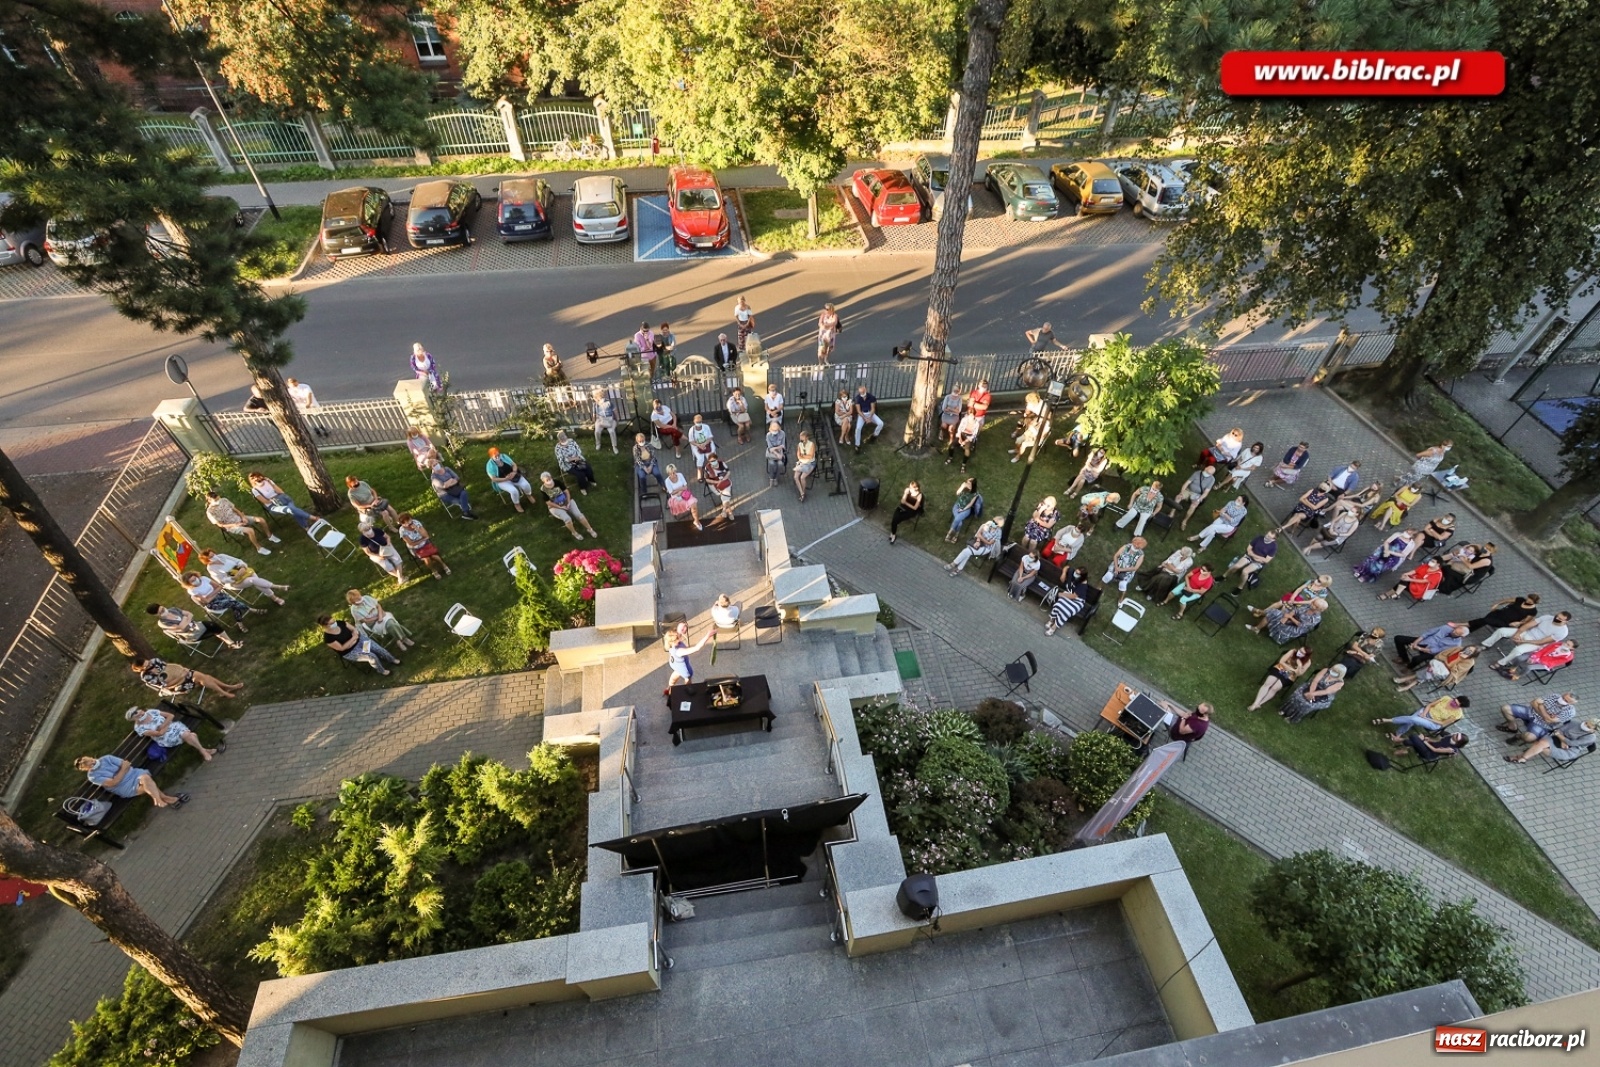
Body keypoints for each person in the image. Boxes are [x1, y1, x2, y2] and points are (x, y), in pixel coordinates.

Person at [74, 754, 186, 807]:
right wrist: (122, 770)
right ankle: (166, 798)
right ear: (86, 769)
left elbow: (127, 764)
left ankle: (161, 800)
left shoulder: (106, 758)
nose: (93, 764)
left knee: (145, 778)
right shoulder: (93, 776)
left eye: (92, 761)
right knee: (147, 783)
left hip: (134, 773)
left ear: (91, 758)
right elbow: (114, 783)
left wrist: (119, 773)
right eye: (90, 765)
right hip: (124, 787)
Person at [126, 705, 218, 761]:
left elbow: (170, 716)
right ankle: (204, 750)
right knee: (191, 735)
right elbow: (159, 734)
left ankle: (202, 751)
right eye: (137, 715)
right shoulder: (139, 728)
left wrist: (162, 726)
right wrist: (167, 724)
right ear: (134, 719)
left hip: (175, 726)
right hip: (166, 738)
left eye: (139, 712)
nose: (140, 714)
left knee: (187, 735)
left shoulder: (151, 712)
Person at [200, 547, 288, 605]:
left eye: (213, 554)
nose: (215, 557)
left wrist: (242, 566)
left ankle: (275, 597)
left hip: (244, 571)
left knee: (256, 581)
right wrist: (233, 578)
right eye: (211, 557)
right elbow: (221, 580)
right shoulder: (211, 568)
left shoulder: (222, 556)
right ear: (207, 560)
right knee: (253, 580)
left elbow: (238, 560)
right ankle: (277, 587)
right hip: (235, 581)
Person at [129, 656, 242, 701]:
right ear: (140, 669)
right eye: (147, 666)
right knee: (202, 677)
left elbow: (171, 668)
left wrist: (183, 671)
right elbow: (166, 685)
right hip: (175, 686)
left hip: (180, 675)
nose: (150, 665)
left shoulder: (154, 661)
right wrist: (182, 676)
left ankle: (226, 688)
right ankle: (226, 690)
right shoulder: (146, 676)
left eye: (148, 663)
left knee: (203, 677)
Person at [1483, 610, 1571, 667]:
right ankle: (1486, 645)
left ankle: (1501, 663)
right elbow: (1529, 625)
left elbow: (1542, 642)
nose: (1556, 618)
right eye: (1557, 616)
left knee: (1518, 650)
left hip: (1535, 643)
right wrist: (1518, 634)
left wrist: (1523, 641)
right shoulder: (1547, 617)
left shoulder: (1562, 632)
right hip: (1527, 633)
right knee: (1501, 631)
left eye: (1560, 619)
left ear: (1566, 621)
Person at [319, 613, 400, 674]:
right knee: (371, 656)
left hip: (360, 640)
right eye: (331, 623)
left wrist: (355, 637)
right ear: (325, 626)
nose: (334, 623)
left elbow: (354, 629)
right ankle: (381, 670)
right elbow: (342, 648)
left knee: (378, 648)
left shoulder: (340, 623)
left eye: (334, 621)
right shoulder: (328, 638)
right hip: (350, 651)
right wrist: (353, 638)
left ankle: (392, 659)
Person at [203, 491, 277, 555]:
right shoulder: (210, 512)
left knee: (261, 520)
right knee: (250, 530)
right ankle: (259, 548)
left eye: (218, 498)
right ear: (209, 501)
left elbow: (236, 510)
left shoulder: (224, 500)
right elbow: (220, 524)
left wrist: (243, 517)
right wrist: (235, 525)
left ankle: (270, 536)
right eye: (215, 500)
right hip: (231, 526)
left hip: (238, 517)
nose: (218, 501)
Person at [147, 602, 243, 650]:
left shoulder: (172, 609)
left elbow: (190, 613)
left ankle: (230, 643)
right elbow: (181, 627)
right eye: (161, 612)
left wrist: (185, 620)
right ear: (157, 615)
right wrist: (186, 619)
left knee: (212, 626)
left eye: (163, 608)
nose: (164, 611)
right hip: (191, 634)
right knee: (213, 627)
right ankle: (231, 643)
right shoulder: (162, 623)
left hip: (196, 625)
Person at [1504, 717, 1596, 766]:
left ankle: (1520, 757)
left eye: (1588, 726)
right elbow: (1558, 730)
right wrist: (1563, 739)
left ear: (1594, 730)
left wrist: (1562, 738)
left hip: (1568, 750)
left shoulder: (1590, 737)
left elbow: (1571, 744)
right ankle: (1523, 759)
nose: (1585, 725)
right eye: (1586, 722)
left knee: (1539, 745)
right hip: (1556, 739)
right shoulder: (1575, 723)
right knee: (1541, 744)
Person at [183, 571, 261, 627]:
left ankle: (241, 624)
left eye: (195, 578)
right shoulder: (192, 590)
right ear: (189, 583)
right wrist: (214, 593)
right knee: (233, 602)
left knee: (233, 603)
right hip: (212, 604)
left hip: (219, 595)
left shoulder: (203, 579)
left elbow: (219, 586)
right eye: (193, 581)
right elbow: (206, 601)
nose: (196, 580)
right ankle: (250, 610)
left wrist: (210, 595)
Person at [346, 588, 414, 650]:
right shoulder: (354, 610)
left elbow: (378, 605)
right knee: (391, 625)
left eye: (359, 597)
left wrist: (380, 616)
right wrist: (377, 618)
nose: (360, 599)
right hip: (372, 623)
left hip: (381, 615)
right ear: (353, 602)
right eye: (357, 600)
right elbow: (365, 620)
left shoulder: (366, 598)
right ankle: (403, 639)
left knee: (391, 624)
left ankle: (400, 640)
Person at [1393, 644, 1480, 692]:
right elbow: (1443, 654)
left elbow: (1455, 669)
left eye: (1471, 651)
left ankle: (1405, 681)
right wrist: (1448, 660)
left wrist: (1459, 658)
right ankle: (1407, 686)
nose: (1468, 650)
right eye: (1468, 648)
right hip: (1439, 664)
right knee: (1428, 672)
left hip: (1447, 673)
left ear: (1473, 654)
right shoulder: (1458, 649)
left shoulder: (1470, 662)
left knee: (1429, 672)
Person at [1495, 691, 1577, 743]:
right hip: (1531, 712)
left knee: (1529, 738)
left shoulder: (1570, 712)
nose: (1562, 699)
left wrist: (1541, 706)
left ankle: (1518, 737)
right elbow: (1533, 702)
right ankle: (1512, 728)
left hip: (1542, 724)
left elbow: (1549, 721)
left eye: (1566, 701)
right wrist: (1545, 714)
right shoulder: (1555, 696)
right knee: (1505, 708)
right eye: (1563, 697)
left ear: (1571, 703)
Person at [1376, 694, 1470, 739]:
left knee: (1413, 719)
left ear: (1459, 707)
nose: (1453, 702)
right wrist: (1424, 713)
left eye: (1456, 704)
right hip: (1426, 712)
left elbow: (1442, 724)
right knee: (1412, 720)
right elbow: (1430, 705)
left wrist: (1426, 718)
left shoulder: (1457, 714)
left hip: (1433, 722)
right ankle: (1397, 735)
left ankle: (1387, 720)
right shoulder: (1446, 698)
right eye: (1454, 700)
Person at [1247, 647, 1313, 710]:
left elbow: (1299, 674)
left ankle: (1259, 703)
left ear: (1306, 655)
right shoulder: (1293, 651)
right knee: (1268, 683)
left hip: (1290, 675)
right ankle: (1255, 703)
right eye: (1300, 650)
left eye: (1302, 652)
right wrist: (1292, 669)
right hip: (1280, 668)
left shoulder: (1307, 662)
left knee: (1274, 688)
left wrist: (1299, 666)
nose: (1299, 652)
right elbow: (1281, 661)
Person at [1280, 663, 1346, 723]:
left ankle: (1293, 717)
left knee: (1307, 704)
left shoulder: (1340, 683)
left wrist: (1312, 694)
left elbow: (1326, 691)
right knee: (1297, 695)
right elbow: (1315, 681)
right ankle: (1285, 710)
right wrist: (1311, 692)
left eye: (1336, 672)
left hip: (1323, 695)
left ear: (1340, 675)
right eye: (1333, 670)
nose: (1333, 672)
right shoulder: (1325, 670)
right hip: (1312, 686)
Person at [248, 472, 316, 530]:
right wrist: (273, 499)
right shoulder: (255, 490)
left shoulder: (268, 482)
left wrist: (270, 483)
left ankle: (306, 527)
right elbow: (266, 501)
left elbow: (281, 492)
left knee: (292, 510)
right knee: (290, 509)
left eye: (258, 477)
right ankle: (312, 517)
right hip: (273, 506)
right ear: (252, 481)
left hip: (283, 499)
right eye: (253, 478)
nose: (257, 479)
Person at [540, 471, 597, 540]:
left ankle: (590, 529)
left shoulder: (557, 482)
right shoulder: (543, 489)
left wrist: (568, 502)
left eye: (550, 478)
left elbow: (566, 492)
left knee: (579, 515)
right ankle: (574, 533)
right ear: (543, 481)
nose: (549, 481)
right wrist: (560, 507)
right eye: (547, 480)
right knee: (567, 519)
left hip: (566, 500)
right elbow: (548, 502)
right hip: (555, 506)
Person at [1352, 528, 1423, 583]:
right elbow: (1387, 541)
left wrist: (1390, 552)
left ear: (1412, 536)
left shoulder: (1411, 544)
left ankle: (1366, 576)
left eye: (1409, 533)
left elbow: (1403, 554)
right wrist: (1386, 550)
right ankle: (1361, 571)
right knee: (1371, 560)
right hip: (1384, 550)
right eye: (1407, 531)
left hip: (1393, 557)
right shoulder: (1397, 534)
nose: (1406, 533)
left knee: (1378, 567)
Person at [664, 621, 716, 695]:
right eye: (678, 637)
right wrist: (707, 636)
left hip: (675, 664)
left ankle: (669, 688)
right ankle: (688, 689)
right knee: (688, 678)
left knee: (674, 676)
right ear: (675, 641)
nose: (679, 635)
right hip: (683, 668)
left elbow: (678, 631)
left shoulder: (670, 643)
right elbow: (696, 648)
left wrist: (682, 626)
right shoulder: (679, 651)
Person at [1392, 622, 1471, 669]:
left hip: (1431, 651)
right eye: (1455, 630)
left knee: (1417, 659)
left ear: (1462, 636)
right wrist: (1415, 643)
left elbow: (1437, 650)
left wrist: (1419, 648)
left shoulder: (1456, 644)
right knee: (1398, 638)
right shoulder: (1445, 628)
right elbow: (1427, 633)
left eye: (1456, 633)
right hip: (1424, 641)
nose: (1453, 632)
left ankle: (1408, 667)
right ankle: (1404, 658)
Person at [1498, 638, 1577, 683]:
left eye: (1568, 645)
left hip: (1545, 663)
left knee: (1529, 667)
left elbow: (1554, 662)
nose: (1565, 644)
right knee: (1520, 658)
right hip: (1538, 655)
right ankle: (1512, 668)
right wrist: (1535, 657)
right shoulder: (1557, 644)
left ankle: (1517, 676)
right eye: (1566, 642)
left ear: (1572, 648)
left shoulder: (1568, 657)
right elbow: (1544, 650)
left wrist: (1539, 661)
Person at [397, 512, 450, 578]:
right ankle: (433, 570)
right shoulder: (402, 531)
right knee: (427, 559)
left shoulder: (416, 523)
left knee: (434, 556)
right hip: (415, 548)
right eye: (404, 523)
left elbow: (426, 535)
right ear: (402, 524)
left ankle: (444, 565)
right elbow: (411, 543)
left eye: (408, 520)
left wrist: (417, 529)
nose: (407, 523)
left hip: (425, 544)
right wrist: (422, 539)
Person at [1253, 598, 1328, 644]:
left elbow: (1301, 625)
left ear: (1319, 609)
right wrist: (1288, 616)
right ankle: (1257, 628)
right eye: (1313, 603)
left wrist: (1289, 617)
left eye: (1315, 605)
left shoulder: (1316, 618)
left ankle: (1260, 614)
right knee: (1274, 613)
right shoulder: (1309, 606)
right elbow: (1296, 610)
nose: (1312, 605)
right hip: (1292, 617)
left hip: (1296, 628)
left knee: (1278, 619)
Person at [1044, 567, 1093, 636]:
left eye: (1078, 573)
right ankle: (1052, 619)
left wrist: (1061, 594)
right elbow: (1067, 567)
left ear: (1082, 576)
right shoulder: (1073, 573)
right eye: (1076, 572)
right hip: (1068, 594)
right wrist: (1064, 573)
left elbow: (1074, 596)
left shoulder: (1083, 585)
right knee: (1058, 605)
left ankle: (1054, 627)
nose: (1075, 574)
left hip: (1077, 601)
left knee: (1066, 611)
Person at [1166, 465, 1216, 530]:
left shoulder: (1212, 480)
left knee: (1193, 506)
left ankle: (1184, 521)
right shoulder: (1197, 473)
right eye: (1206, 470)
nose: (1206, 473)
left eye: (1208, 473)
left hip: (1197, 494)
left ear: (1211, 474)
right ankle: (1171, 513)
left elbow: (1206, 492)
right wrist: (1181, 493)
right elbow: (1186, 483)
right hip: (1188, 490)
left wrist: (1198, 500)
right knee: (1178, 497)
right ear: (1205, 468)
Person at [485, 447, 533, 512]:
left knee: (525, 484)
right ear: (491, 457)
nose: (497, 457)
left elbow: (514, 464)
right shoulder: (489, 465)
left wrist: (514, 472)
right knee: (514, 491)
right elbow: (494, 479)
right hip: (502, 481)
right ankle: (517, 504)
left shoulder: (504, 456)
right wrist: (505, 479)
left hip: (513, 475)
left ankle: (528, 495)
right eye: (495, 456)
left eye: (498, 455)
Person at [1468, 593, 1540, 636]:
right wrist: (1497, 604)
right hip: (1500, 613)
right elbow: (1506, 600)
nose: (1527, 601)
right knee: (1485, 620)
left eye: (1530, 601)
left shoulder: (1533, 611)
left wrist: (1518, 623)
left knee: (1485, 620)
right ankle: (1469, 629)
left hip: (1507, 622)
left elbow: (1526, 621)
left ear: (1534, 602)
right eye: (1528, 598)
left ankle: (1466, 625)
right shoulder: (1520, 599)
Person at [1007, 392, 1050, 462]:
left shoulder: (1047, 423)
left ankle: (1018, 456)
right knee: (1018, 439)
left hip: (1037, 437)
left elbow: (1042, 436)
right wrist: (1029, 421)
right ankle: (1016, 449)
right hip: (1033, 429)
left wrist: (1033, 437)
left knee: (1024, 444)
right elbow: (1028, 413)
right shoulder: (1037, 421)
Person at [1377, 558, 1443, 602]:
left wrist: (1410, 579)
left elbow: (1424, 581)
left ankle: (1390, 594)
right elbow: (1415, 571)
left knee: (1404, 581)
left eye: (1433, 562)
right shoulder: (1426, 566)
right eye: (1431, 560)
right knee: (1405, 579)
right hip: (1415, 579)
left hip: (1421, 587)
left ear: (1438, 564)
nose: (1430, 562)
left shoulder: (1437, 574)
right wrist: (1406, 573)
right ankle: (1396, 594)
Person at [553, 430, 595, 495]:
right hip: (567, 464)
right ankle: (583, 488)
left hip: (577, 459)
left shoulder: (572, 441)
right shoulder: (558, 448)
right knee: (580, 474)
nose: (563, 438)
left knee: (588, 467)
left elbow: (578, 450)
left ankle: (591, 480)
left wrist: (577, 457)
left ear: (566, 436)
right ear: (559, 440)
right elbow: (561, 458)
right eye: (561, 438)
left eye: (564, 436)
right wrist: (571, 459)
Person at [662, 464, 703, 530]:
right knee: (691, 505)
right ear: (668, 473)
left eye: (674, 472)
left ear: (675, 471)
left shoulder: (680, 475)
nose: (672, 475)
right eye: (670, 473)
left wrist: (679, 491)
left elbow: (686, 487)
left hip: (685, 494)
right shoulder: (667, 481)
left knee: (694, 506)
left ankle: (696, 521)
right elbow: (671, 492)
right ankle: (695, 518)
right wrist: (680, 489)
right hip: (676, 498)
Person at [1396, 731, 1470, 766]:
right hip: (1428, 745)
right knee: (1411, 740)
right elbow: (1438, 741)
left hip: (1428, 753)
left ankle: (1404, 747)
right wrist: (1428, 739)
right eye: (1457, 734)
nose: (1455, 734)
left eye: (1457, 736)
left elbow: (1434, 750)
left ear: (1458, 742)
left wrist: (1423, 740)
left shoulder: (1452, 749)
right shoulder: (1450, 736)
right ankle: (1405, 748)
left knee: (1414, 736)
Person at [704, 452, 735, 522]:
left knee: (725, 494)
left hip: (724, 482)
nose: (713, 462)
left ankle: (724, 510)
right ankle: (729, 511)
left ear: (717, 459)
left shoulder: (722, 463)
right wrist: (717, 482)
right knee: (726, 495)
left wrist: (723, 479)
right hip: (714, 484)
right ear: (709, 462)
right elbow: (706, 479)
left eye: (714, 460)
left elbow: (728, 472)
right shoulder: (707, 468)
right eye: (711, 461)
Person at [947, 478, 980, 542]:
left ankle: (949, 533)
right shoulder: (964, 485)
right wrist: (962, 487)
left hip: (966, 509)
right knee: (959, 522)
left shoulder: (975, 494)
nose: (967, 482)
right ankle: (956, 535)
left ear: (972, 485)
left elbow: (970, 504)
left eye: (969, 483)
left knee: (957, 519)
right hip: (957, 505)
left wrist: (963, 510)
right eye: (967, 481)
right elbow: (957, 493)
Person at [686, 414, 716, 479]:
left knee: (711, 456)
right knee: (700, 458)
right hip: (697, 445)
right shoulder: (692, 430)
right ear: (694, 422)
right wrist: (698, 445)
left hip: (707, 444)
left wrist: (704, 444)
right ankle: (699, 471)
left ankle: (711, 469)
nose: (699, 424)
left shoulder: (706, 427)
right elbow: (691, 441)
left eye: (700, 422)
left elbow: (710, 437)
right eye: (697, 422)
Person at [793, 430, 817, 501]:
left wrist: (803, 456)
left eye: (802, 438)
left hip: (810, 463)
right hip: (802, 462)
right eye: (801, 438)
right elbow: (798, 455)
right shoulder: (799, 444)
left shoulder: (811, 444)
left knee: (802, 477)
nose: (801, 439)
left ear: (806, 438)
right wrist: (802, 457)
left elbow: (811, 456)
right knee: (796, 477)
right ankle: (802, 492)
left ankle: (803, 492)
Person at [764, 420, 788, 488]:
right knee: (772, 464)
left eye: (776, 427)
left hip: (780, 452)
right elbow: (770, 448)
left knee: (780, 464)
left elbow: (783, 445)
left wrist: (779, 450)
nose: (774, 429)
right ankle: (771, 478)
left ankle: (776, 478)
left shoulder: (782, 433)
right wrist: (777, 452)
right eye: (773, 427)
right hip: (772, 454)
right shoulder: (768, 435)